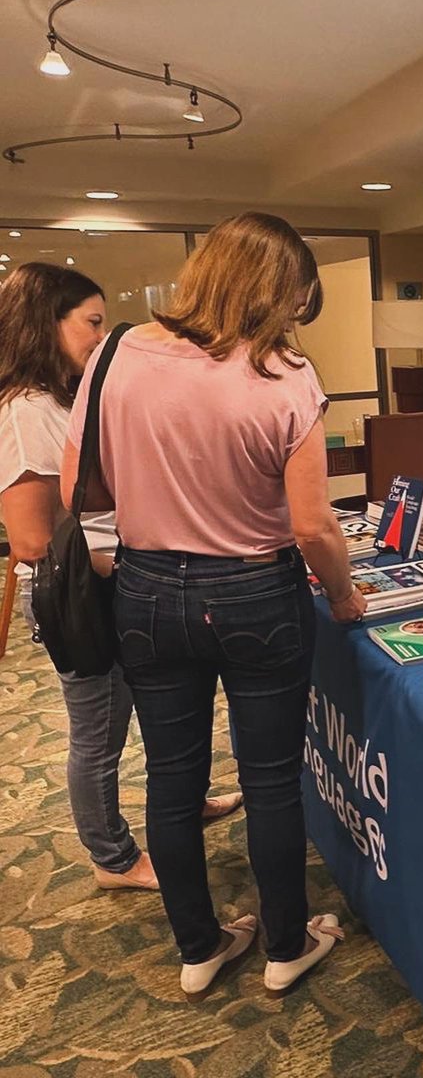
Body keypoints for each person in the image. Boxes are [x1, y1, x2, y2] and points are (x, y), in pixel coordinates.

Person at [62, 212, 368, 1002]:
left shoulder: (116, 352)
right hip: (256, 593)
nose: (295, 318)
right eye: (297, 301)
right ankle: (284, 946)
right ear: (275, 291)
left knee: (171, 780)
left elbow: (78, 492)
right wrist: (341, 593)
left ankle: (199, 949)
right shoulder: (285, 375)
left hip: (147, 589)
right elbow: (312, 525)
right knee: (269, 781)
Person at [0, 263, 160, 891]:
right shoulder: (24, 411)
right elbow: (36, 540)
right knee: (97, 730)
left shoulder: (63, 396)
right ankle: (112, 857)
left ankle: (181, 802)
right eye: (91, 322)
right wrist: (125, 562)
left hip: (108, 580)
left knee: (147, 705)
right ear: (47, 323)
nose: (101, 335)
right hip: (80, 593)